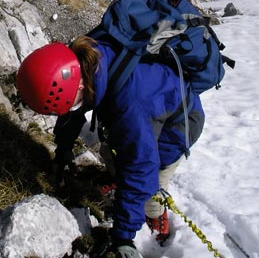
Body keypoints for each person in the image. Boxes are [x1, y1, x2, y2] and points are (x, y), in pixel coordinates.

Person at [16, 38, 205, 258]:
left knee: (152, 182)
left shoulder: (130, 105)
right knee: (112, 151)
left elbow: (141, 167)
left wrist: (123, 237)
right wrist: (62, 153)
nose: (70, 109)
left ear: (77, 86)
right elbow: (73, 114)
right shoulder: (81, 63)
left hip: (178, 127)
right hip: (146, 110)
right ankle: (118, 180)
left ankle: (156, 217)